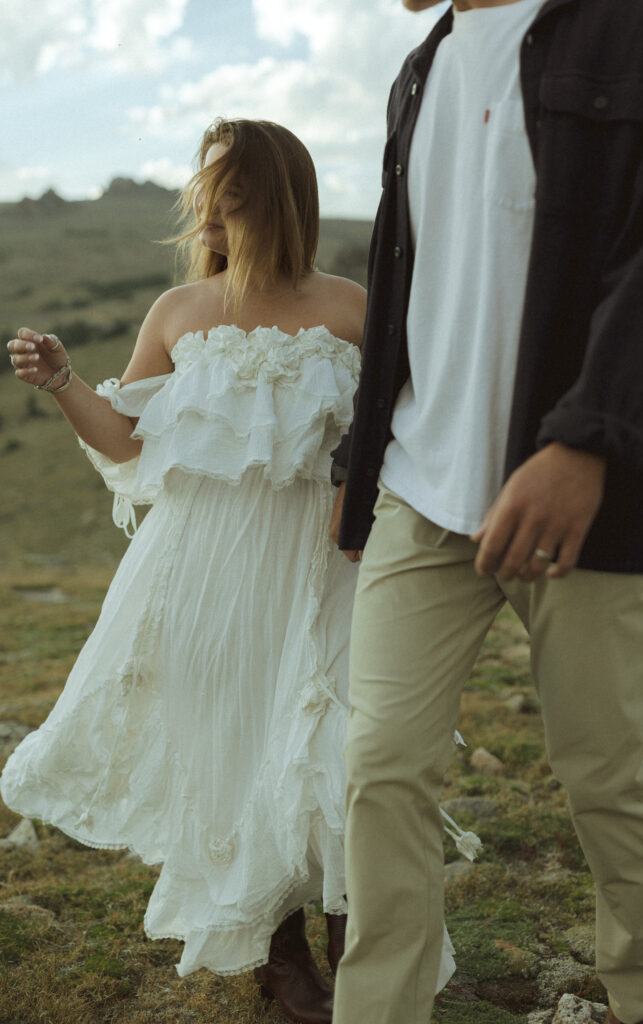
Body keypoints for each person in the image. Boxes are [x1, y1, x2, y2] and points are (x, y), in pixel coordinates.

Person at [329, 2, 643, 1023]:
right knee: (378, 766)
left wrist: (585, 439)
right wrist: (357, 459)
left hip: (576, 493)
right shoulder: (418, 69)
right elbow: (401, 286)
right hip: (420, 489)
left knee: (602, 768)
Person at [1, 118, 369, 1024]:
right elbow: (128, 441)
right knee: (241, 753)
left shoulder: (356, 308)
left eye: (226, 189)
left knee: (337, 756)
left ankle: (361, 949)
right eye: (205, 187)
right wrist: (62, 382)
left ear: (271, 198)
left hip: (326, 562)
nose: (204, 205)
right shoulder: (177, 314)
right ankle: (279, 958)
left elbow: (395, 433)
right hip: (205, 572)